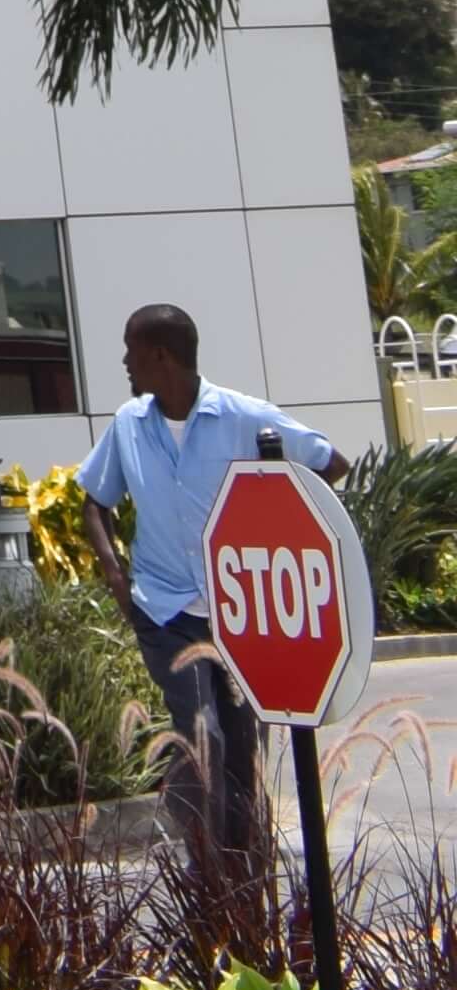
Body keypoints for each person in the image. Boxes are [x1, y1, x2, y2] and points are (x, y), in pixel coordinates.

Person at [77, 302, 343, 854]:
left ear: (160, 355)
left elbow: (329, 463)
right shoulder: (129, 425)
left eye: (131, 349)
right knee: (204, 737)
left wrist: (281, 535)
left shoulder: (246, 418)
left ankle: (247, 882)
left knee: (243, 751)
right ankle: (208, 870)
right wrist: (115, 575)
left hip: (239, 615)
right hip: (165, 612)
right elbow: (94, 502)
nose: (124, 362)